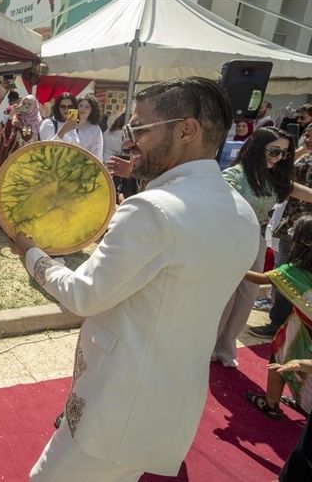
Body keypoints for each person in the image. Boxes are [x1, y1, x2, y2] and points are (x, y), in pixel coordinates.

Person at [16, 77, 260, 481]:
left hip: (113, 409)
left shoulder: (154, 210)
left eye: (139, 129)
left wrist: (31, 253)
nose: (129, 141)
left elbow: (82, 296)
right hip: (169, 410)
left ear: (186, 130)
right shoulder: (242, 212)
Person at [214, 127, 312, 368]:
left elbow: (304, 192)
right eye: (274, 151)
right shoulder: (234, 176)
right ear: (257, 147)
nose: (278, 157)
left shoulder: (273, 177)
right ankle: (208, 346)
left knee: (246, 297)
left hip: (255, 241)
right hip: (230, 240)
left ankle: (226, 349)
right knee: (224, 297)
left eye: (284, 154)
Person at [242, 215, 312, 420]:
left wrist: (235, 268)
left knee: (280, 352)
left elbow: (262, 278)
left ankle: (271, 403)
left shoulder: (293, 271)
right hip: (304, 324)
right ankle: (303, 403)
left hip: (301, 328)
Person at [251, 125, 312, 338]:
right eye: (308, 134)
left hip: (303, 232)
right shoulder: (301, 160)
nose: (309, 139)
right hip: (289, 228)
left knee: (290, 277)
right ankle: (278, 321)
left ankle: (282, 324)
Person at [0, 94, 40, 177]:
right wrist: (11, 118)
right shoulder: (16, 120)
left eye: (29, 104)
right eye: (24, 103)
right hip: (12, 164)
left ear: (34, 106)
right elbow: (6, 139)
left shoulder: (39, 122)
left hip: (30, 165)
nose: (26, 106)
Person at [73, 94, 104, 159]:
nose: (82, 109)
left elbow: (97, 151)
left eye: (87, 107)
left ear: (91, 110)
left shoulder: (95, 129)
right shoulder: (69, 125)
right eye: (80, 106)